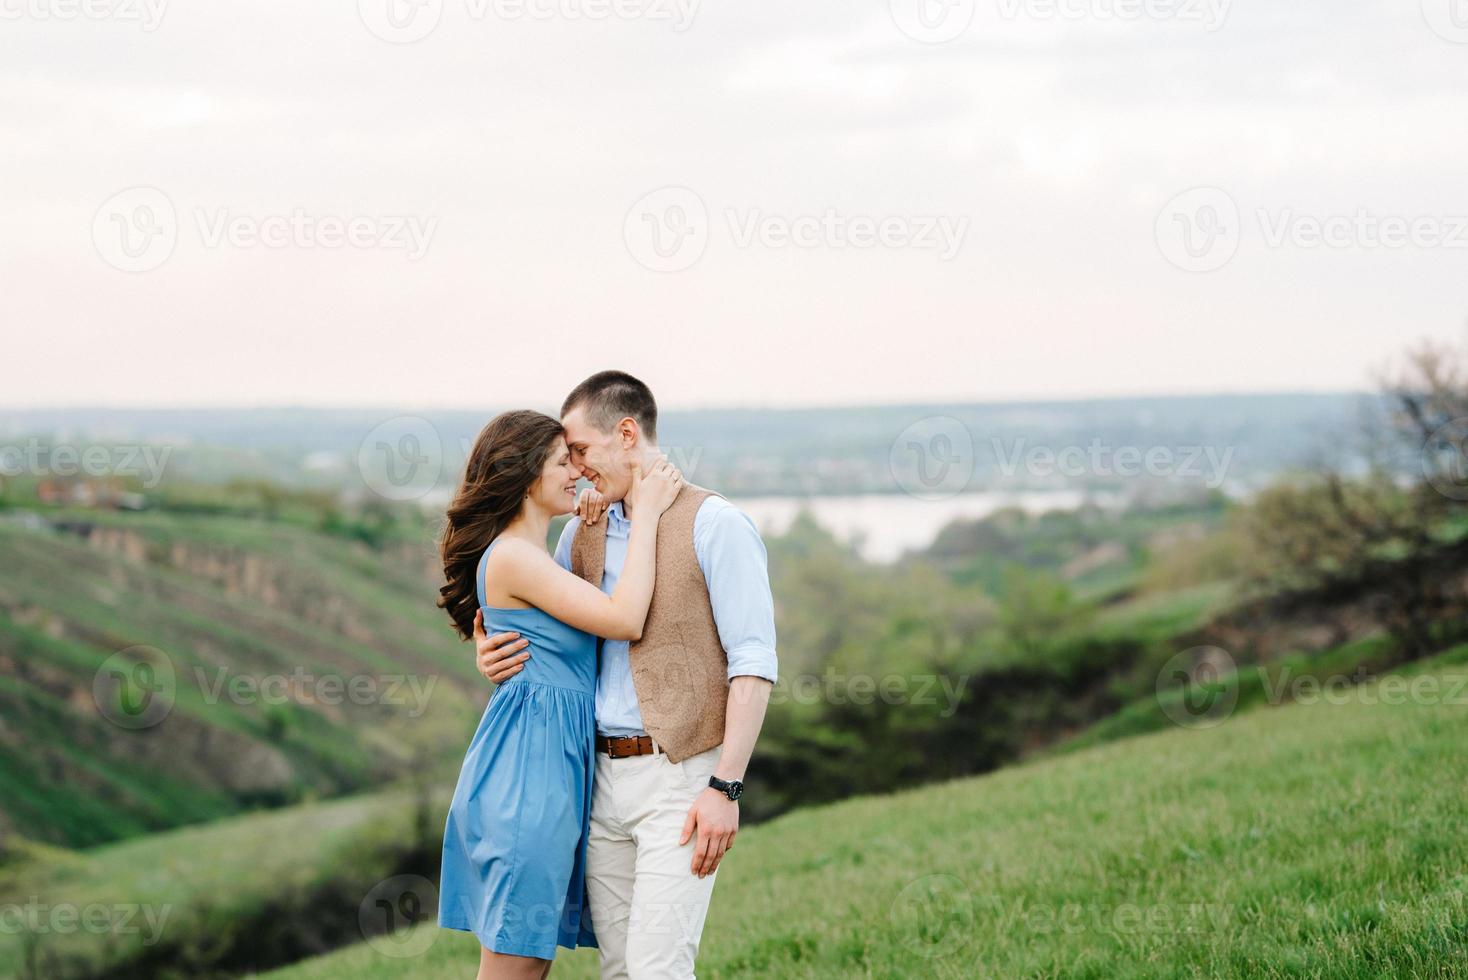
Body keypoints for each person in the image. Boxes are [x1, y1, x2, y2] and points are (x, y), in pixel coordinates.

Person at [475, 371, 778, 979]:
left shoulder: (715, 523)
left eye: (581, 451)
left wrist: (726, 788)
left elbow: (753, 664)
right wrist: (487, 652)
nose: (577, 468)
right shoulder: (579, 532)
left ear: (627, 433)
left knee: (657, 972)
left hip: (680, 780)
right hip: (596, 780)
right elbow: (544, 630)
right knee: (617, 971)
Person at [437, 408, 684, 980]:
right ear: (526, 476)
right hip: (529, 778)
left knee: (529, 963)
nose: (576, 471)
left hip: (545, 769)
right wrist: (644, 516)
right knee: (518, 967)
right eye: (560, 462)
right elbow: (623, 619)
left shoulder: (533, 557)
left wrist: (595, 522)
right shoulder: (515, 558)